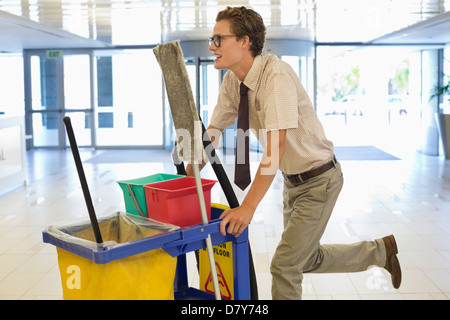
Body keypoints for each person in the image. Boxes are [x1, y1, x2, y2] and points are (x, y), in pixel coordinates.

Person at [186, 6, 401, 300]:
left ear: (244, 41)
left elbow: (276, 148)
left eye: (219, 39)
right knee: (305, 259)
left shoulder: (276, 76)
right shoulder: (233, 81)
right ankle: (380, 252)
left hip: (320, 180)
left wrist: (247, 208)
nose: (212, 46)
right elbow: (213, 131)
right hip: (292, 181)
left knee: (284, 266)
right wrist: (190, 171)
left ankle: (379, 252)